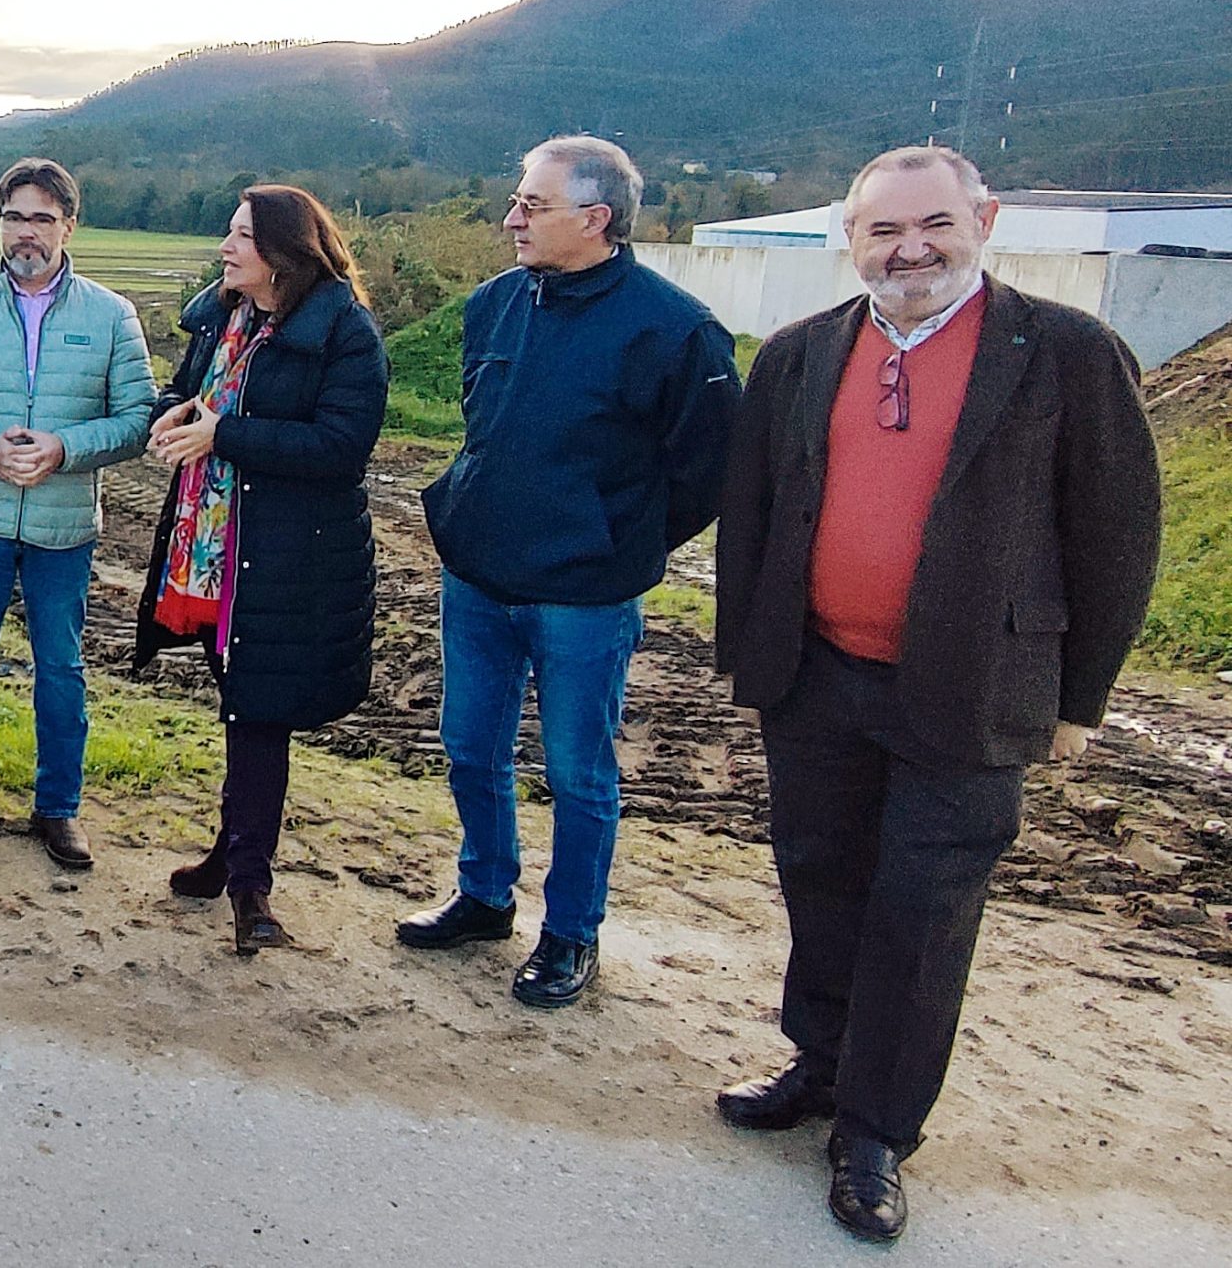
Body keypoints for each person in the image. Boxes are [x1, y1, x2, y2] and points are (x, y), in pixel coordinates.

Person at [711, 145, 1158, 1242]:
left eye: (934, 225)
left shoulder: (1066, 353)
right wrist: (751, 658)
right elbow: (754, 515)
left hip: (975, 690)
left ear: (983, 219)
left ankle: (874, 1129)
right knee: (819, 875)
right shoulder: (802, 353)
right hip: (817, 675)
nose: (910, 248)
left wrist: (1079, 698)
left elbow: (1117, 533)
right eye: (884, 230)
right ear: (851, 239)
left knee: (922, 911)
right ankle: (819, 1063)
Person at [403, 135, 740, 1008]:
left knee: (578, 772)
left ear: (595, 219)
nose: (511, 217)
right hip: (478, 576)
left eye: (532, 204)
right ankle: (483, 896)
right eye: (517, 200)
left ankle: (570, 935)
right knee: (471, 746)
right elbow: (484, 425)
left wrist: (617, 541)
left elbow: (709, 470)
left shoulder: (676, 331)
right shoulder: (494, 304)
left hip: (584, 596)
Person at [136, 187, 387, 953]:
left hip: (287, 556)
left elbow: (342, 446)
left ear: (284, 249)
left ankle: (250, 882)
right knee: (241, 701)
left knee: (259, 711)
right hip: (214, 541)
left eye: (241, 235)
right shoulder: (222, 314)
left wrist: (225, 435)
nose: (225, 245)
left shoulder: (346, 330)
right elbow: (194, 392)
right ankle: (235, 856)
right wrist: (177, 410)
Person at [0, 157, 155, 869]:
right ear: (0, 223)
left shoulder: (111, 316)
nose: (26, 233)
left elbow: (137, 419)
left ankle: (59, 808)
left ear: (69, 226)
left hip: (63, 527)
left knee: (62, 667)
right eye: (15, 216)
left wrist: (65, 447)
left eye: (42, 218)